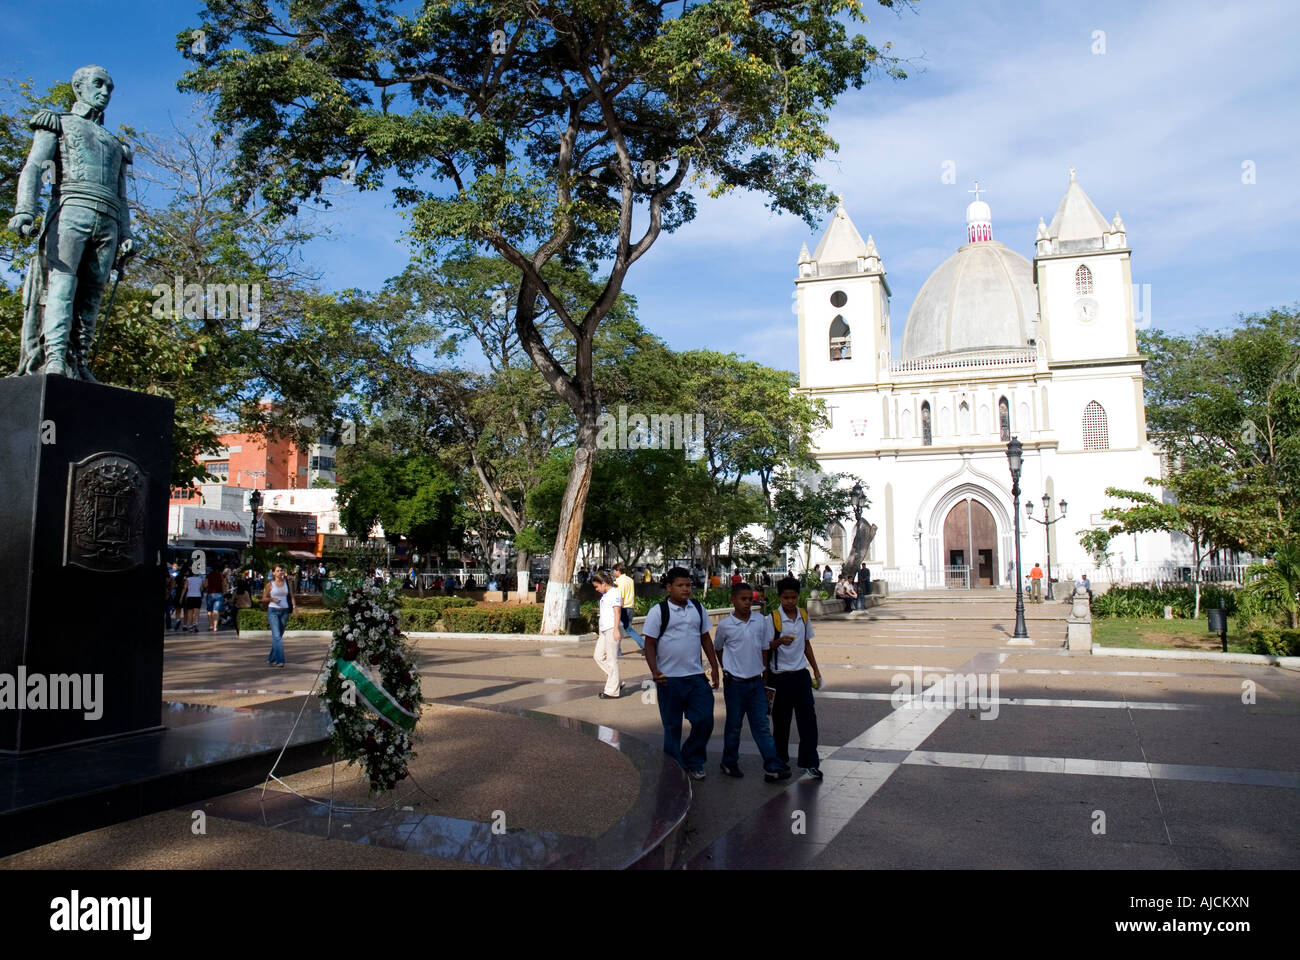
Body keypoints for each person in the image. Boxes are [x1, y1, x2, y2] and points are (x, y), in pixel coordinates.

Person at [642, 567, 721, 781]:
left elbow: (705, 638)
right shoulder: (658, 611)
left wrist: (714, 666)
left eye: (688, 585)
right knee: (672, 727)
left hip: (695, 676)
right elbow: (649, 643)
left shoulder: (697, 607)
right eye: (680, 585)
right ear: (669, 587)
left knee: (704, 721)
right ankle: (674, 766)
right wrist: (655, 671)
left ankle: (694, 759)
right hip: (669, 679)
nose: (686, 589)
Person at [714, 582, 792, 782]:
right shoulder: (725, 625)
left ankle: (772, 765)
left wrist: (764, 676)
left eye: (750, 599)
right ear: (733, 600)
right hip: (735, 684)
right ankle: (729, 762)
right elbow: (718, 648)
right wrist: (726, 668)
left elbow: (764, 648)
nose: (747, 603)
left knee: (762, 726)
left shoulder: (760, 621)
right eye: (743, 599)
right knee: (734, 725)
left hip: (756, 682)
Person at [767, 577, 823, 778]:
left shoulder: (804, 616)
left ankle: (810, 761)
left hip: (801, 675)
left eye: (793, 597)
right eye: (786, 598)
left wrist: (815, 670)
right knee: (781, 723)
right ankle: (781, 760)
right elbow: (765, 648)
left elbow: (807, 645)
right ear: (779, 597)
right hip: (780, 677)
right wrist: (779, 641)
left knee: (808, 720)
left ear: (798, 597)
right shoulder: (772, 619)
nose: (790, 601)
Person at [591, 572, 622, 699]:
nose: (596, 589)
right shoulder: (606, 595)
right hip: (604, 630)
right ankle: (616, 681)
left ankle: (612, 691)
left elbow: (617, 611)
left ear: (603, 583)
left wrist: (615, 630)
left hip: (611, 628)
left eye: (597, 586)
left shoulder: (614, 593)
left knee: (611, 659)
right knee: (598, 656)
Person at [261, 565, 293, 667]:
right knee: (277, 636)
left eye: (281, 571)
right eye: (278, 571)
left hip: (284, 611)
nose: (280, 572)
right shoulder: (270, 585)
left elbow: (291, 596)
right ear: (274, 573)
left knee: (278, 636)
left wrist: (295, 607)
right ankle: (280, 660)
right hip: (273, 611)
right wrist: (272, 599)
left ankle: (271, 658)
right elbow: (263, 598)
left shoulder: (287, 583)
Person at [613, 562, 643, 652]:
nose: (613, 573)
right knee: (627, 629)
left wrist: (617, 610)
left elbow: (620, 597)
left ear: (618, 571)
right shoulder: (630, 579)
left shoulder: (619, 581)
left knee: (620, 629)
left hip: (623, 608)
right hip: (630, 607)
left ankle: (618, 651)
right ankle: (618, 650)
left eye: (614, 571)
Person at [182, 565, 204, 632]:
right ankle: (195, 624)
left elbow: (185, 588)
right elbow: (201, 589)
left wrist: (182, 597)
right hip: (197, 596)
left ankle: (190, 626)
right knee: (196, 612)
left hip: (190, 597)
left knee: (190, 612)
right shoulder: (200, 579)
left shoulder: (188, 579)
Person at [204, 566, 225, 632]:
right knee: (216, 611)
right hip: (219, 594)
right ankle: (215, 627)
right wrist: (224, 592)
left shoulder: (208, 575)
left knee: (209, 610)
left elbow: (205, 585)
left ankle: (210, 625)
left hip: (210, 593)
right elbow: (223, 584)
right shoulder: (220, 575)